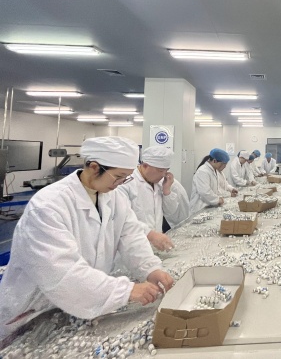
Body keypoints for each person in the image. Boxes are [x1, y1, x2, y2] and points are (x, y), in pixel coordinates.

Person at [0, 137, 174, 345]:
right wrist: (125, 290)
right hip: (32, 312)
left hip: (78, 307)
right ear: (93, 167)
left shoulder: (114, 198)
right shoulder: (48, 206)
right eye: (118, 177)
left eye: (126, 178)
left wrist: (150, 269)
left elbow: (131, 236)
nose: (120, 184)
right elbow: (62, 271)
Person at [117, 146, 188, 251]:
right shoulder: (127, 184)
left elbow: (170, 213)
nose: (163, 175)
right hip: (134, 245)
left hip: (155, 244)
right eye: (160, 171)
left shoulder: (160, 183)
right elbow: (123, 219)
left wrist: (166, 190)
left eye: (166, 170)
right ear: (145, 166)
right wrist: (150, 234)